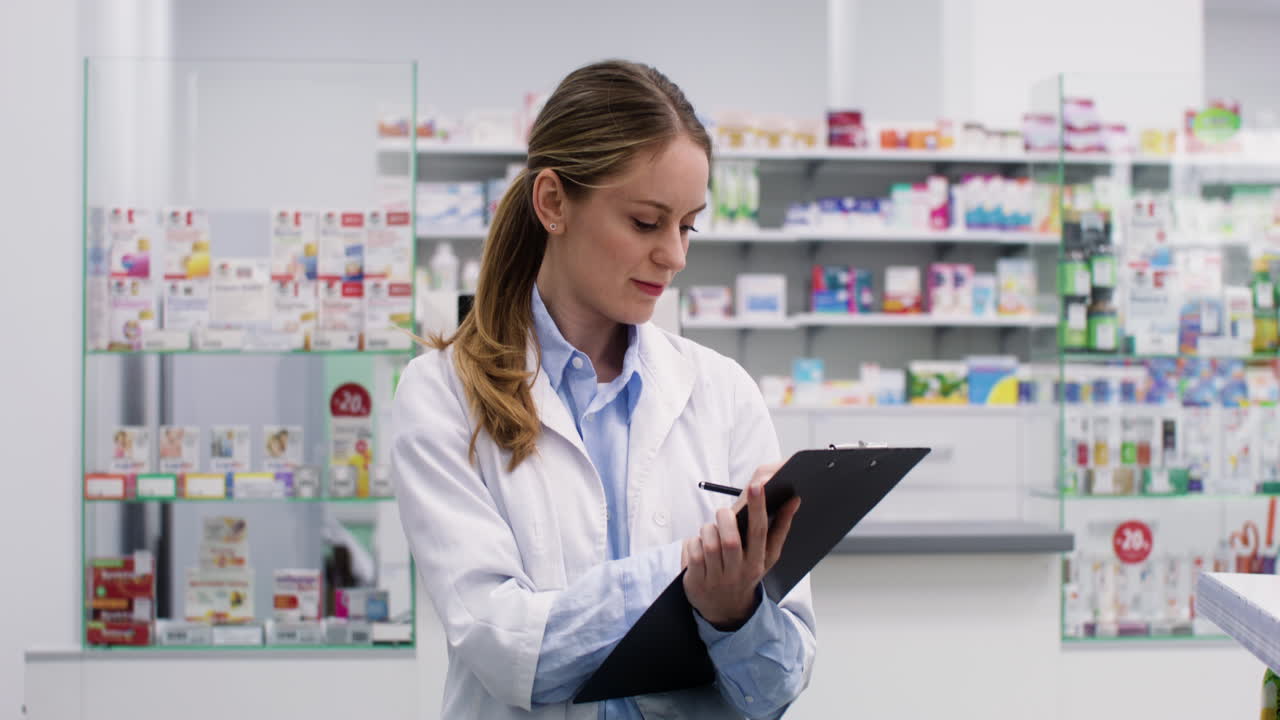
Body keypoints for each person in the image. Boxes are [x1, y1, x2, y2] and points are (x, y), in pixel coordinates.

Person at [392, 59, 815, 720]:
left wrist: (734, 614)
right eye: (647, 223)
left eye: (688, 226)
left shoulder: (723, 393)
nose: (674, 255)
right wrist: (690, 576)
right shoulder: (442, 395)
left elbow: (776, 689)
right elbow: (504, 648)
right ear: (554, 202)